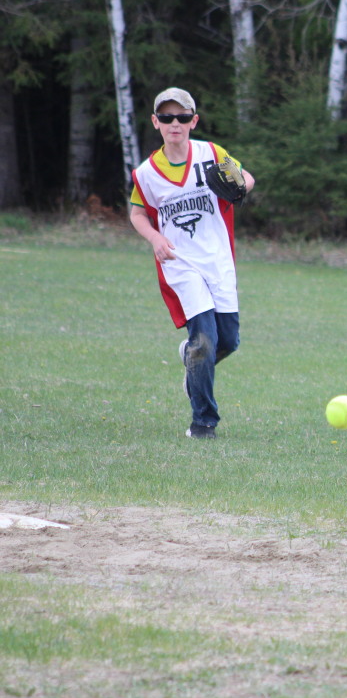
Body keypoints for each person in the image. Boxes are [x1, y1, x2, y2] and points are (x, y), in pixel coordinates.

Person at [128, 87, 255, 439]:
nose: (175, 123)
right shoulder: (148, 173)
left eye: (182, 117)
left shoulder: (212, 154)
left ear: (193, 121)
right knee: (204, 341)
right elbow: (138, 214)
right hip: (180, 264)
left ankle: (192, 360)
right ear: (156, 122)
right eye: (166, 117)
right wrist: (155, 238)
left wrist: (239, 187)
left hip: (218, 260)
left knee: (227, 341)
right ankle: (203, 423)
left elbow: (246, 178)